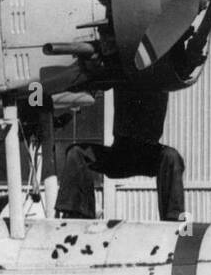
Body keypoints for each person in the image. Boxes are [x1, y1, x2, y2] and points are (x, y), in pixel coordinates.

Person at [55, 90, 187, 222]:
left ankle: (174, 220)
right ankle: (77, 214)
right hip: (120, 155)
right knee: (76, 153)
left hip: (148, 155)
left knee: (172, 157)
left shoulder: (160, 76)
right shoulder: (122, 73)